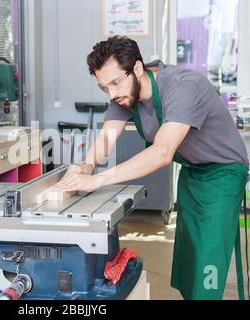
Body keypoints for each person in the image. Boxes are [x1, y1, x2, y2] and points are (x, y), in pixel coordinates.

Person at [56, 35, 249, 300]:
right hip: (193, 171)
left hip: (224, 173)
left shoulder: (183, 87)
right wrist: (87, 166)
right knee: (190, 254)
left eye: (115, 83)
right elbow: (106, 138)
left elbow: (161, 153)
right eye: (104, 87)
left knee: (208, 256)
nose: (112, 94)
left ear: (137, 68)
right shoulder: (125, 95)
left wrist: (98, 181)